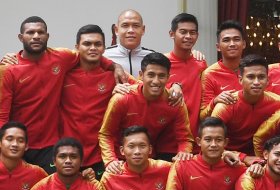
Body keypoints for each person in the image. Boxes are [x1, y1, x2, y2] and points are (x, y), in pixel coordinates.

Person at [0, 16, 126, 174]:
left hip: (50, 146)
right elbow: (2, 116)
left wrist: (114, 66)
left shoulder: (61, 57)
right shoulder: (8, 69)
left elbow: (88, 54)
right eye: (30, 32)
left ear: (47, 36)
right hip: (18, 144)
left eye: (40, 32)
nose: (36, 36)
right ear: (21, 37)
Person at [99, 52, 194, 173]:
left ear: (168, 77)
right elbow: (106, 134)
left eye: (161, 76)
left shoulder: (174, 102)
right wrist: (110, 160)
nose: (156, 81)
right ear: (141, 75)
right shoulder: (123, 98)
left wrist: (184, 153)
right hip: (119, 161)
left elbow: (185, 138)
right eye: (151, 75)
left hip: (150, 160)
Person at [60, 24, 115, 179]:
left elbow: (144, 85)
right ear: (77, 47)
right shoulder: (63, 73)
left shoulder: (114, 76)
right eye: (87, 44)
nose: (93, 48)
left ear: (104, 48)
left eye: (98, 44)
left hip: (99, 155)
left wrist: (174, 86)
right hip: (67, 154)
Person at [211, 54, 280, 155]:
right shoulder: (226, 105)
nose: (256, 82)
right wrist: (243, 158)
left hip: (266, 159)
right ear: (240, 80)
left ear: (268, 80)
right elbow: (210, 142)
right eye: (251, 77)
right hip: (228, 158)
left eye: (261, 77)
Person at [162, 13, 208, 152]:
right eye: (183, 32)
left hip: (196, 141)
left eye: (192, 32)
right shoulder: (162, 63)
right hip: (165, 141)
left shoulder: (201, 63)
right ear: (172, 34)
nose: (188, 36)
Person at [199, 20, 246, 120]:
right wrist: (215, 101)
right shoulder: (209, 74)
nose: (232, 44)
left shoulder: (252, 70)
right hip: (222, 132)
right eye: (226, 40)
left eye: (236, 39)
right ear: (218, 47)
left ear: (244, 44)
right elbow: (203, 116)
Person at [104, 9, 153, 77]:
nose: (130, 30)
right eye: (125, 25)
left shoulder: (153, 58)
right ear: (116, 30)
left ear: (143, 30)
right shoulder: (104, 56)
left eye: (136, 26)